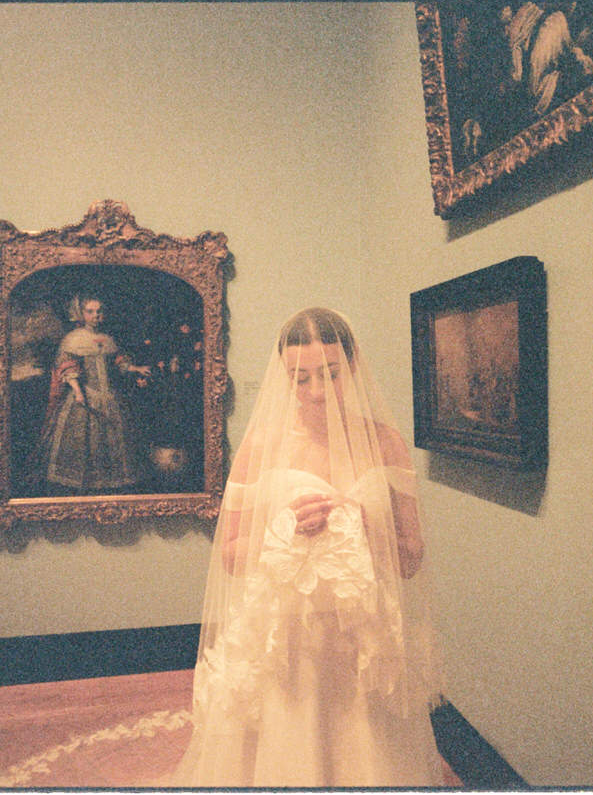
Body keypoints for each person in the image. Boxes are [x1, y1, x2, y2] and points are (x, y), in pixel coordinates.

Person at [170, 307, 443, 787]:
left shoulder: (387, 444)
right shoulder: (262, 445)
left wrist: (369, 527)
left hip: (363, 641)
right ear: (285, 376)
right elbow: (230, 556)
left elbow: (412, 559)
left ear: (352, 365)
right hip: (287, 641)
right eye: (301, 378)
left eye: (330, 374)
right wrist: (283, 527)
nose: (317, 391)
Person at [34, 295, 152, 493]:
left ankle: (110, 484)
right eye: (91, 311)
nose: (96, 315)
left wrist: (136, 368)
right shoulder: (73, 339)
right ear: (81, 313)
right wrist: (78, 392)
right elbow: (66, 367)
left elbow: (118, 362)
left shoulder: (107, 339)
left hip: (110, 396)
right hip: (84, 395)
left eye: (99, 311)